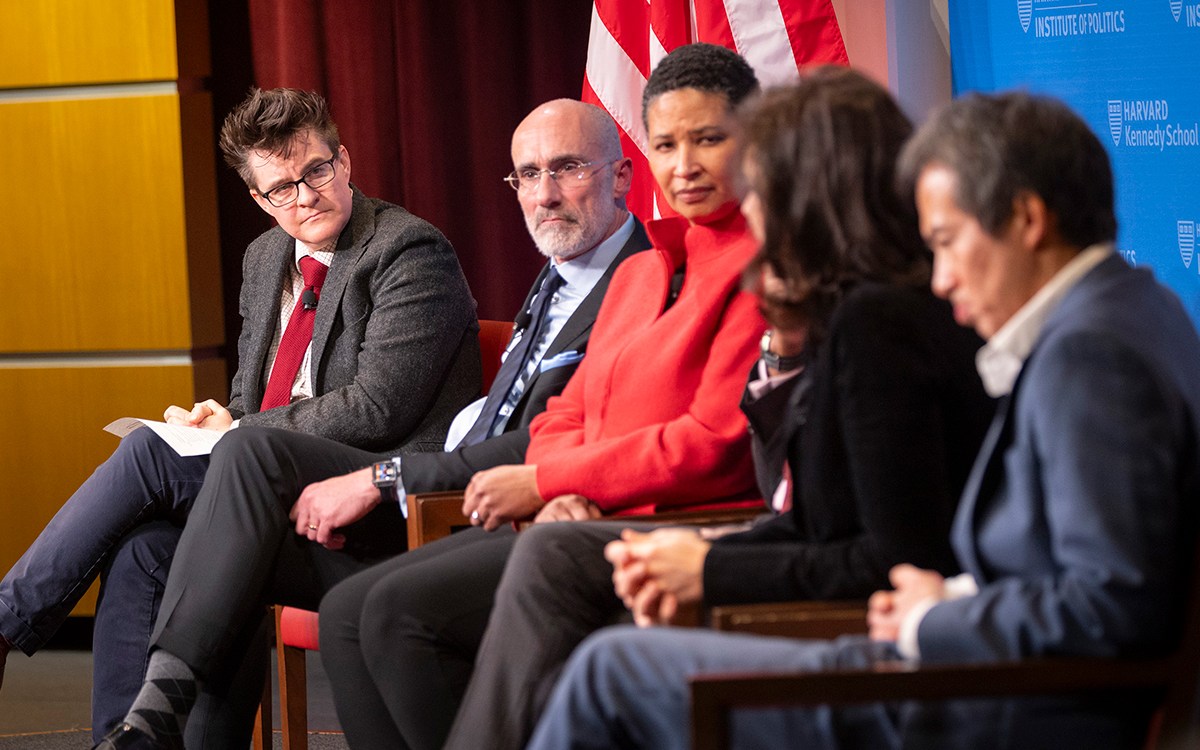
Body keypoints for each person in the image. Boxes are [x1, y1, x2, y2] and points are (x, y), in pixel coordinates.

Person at [529, 90, 1200, 750]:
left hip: (981, 704)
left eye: (947, 240)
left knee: (606, 672)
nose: (942, 280)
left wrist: (938, 619)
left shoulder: (1087, 354)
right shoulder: (1137, 308)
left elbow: (1115, 606)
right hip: (975, 666)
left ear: (1026, 220)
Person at [444, 66, 994, 750]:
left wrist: (706, 564)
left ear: (809, 194)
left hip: (891, 641)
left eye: (757, 182)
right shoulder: (845, 313)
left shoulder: (880, 323)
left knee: (591, 659)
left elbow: (890, 554)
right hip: (800, 570)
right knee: (569, 655)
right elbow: (811, 511)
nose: (745, 208)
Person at [92, 97, 650, 749]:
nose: (545, 193)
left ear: (620, 176)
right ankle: (132, 736)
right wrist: (235, 418)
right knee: (153, 544)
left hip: (455, 514)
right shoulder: (556, 281)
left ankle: (24, 622)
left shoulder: (634, 282)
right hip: (442, 498)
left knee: (225, 465)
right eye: (527, 174)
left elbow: (399, 411)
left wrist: (377, 477)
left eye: (568, 168)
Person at [317, 42, 766, 749]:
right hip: (580, 508)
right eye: (668, 144)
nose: (684, 166)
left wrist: (551, 479)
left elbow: (712, 444)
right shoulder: (646, 270)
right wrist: (553, 483)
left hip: (679, 522)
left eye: (708, 139)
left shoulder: (767, 271)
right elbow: (565, 413)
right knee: (346, 610)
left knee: (397, 613)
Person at [0, 86, 478, 741]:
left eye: (316, 170)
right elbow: (256, 407)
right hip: (271, 495)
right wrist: (217, 417)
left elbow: (377, 408)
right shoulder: (263, 261)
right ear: (259, 199)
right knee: (146, 548)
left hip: (380, 509)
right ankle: (126, 738)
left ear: (345, 160)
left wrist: (241, 430)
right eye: (282, 187)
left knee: (150, 453)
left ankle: (5, 622)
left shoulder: (407, 250)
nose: (306, 195)